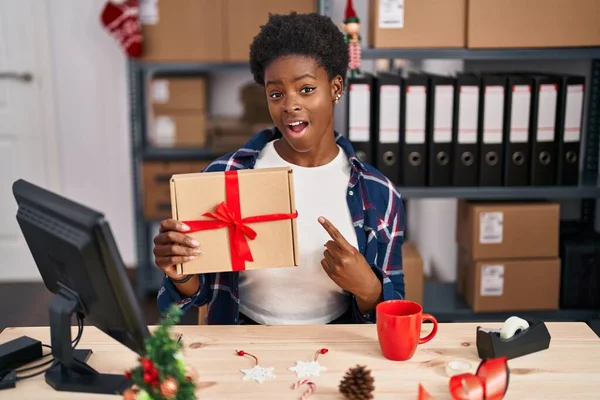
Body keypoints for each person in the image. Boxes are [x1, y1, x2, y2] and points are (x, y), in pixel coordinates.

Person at [153, 12, 406, 325]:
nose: (290, 105)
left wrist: (368, 288)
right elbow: (195, 296)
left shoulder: (379, 193)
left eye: (307, 89)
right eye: (276, 94)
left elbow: (395, 314)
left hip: (337, 347)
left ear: (336, 88)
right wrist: (179, 271)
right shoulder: (226, 176)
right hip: (244, 343)